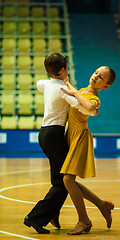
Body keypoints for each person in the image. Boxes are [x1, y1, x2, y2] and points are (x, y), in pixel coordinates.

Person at [23, 53, 97, 234]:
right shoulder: (62, 90)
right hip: (55, 135)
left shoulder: (47, 84)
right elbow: (85, 108)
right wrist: (77, 95)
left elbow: (39, 84)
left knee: (61, 179)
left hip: (44, 134)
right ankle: (35, 217)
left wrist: (54, 80)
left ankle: (52, 215)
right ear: (63, 70)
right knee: (63, 182)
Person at [60, 66, 116, 235]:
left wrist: (75, 93)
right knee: (69, 181)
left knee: (68, 180)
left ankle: (84, 220)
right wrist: (65, 80)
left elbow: (90, 107)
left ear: (105, 86)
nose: (96, 76)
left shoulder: (94, 98)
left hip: (81, 138)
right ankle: (101, 204)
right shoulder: (83, 90)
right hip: (71, 135)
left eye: (101, 78)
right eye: (96, 73)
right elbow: (72, 90)